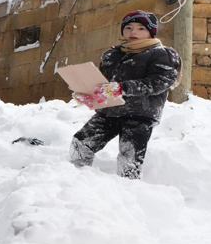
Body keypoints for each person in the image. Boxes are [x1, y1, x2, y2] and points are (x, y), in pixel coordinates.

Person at [69, 10, 181, 179]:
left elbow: (159, 82)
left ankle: (129, 191)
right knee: (81, 142)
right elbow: (102, 84)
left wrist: (122, 88)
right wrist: (88, 94)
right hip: (109, 111)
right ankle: (75, 179)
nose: (133, 32)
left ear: (151, 32)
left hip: (140, 114)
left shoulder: (162, 54)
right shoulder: (111, 55)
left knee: (129, 156)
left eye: (140, 28)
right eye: (128, 27)